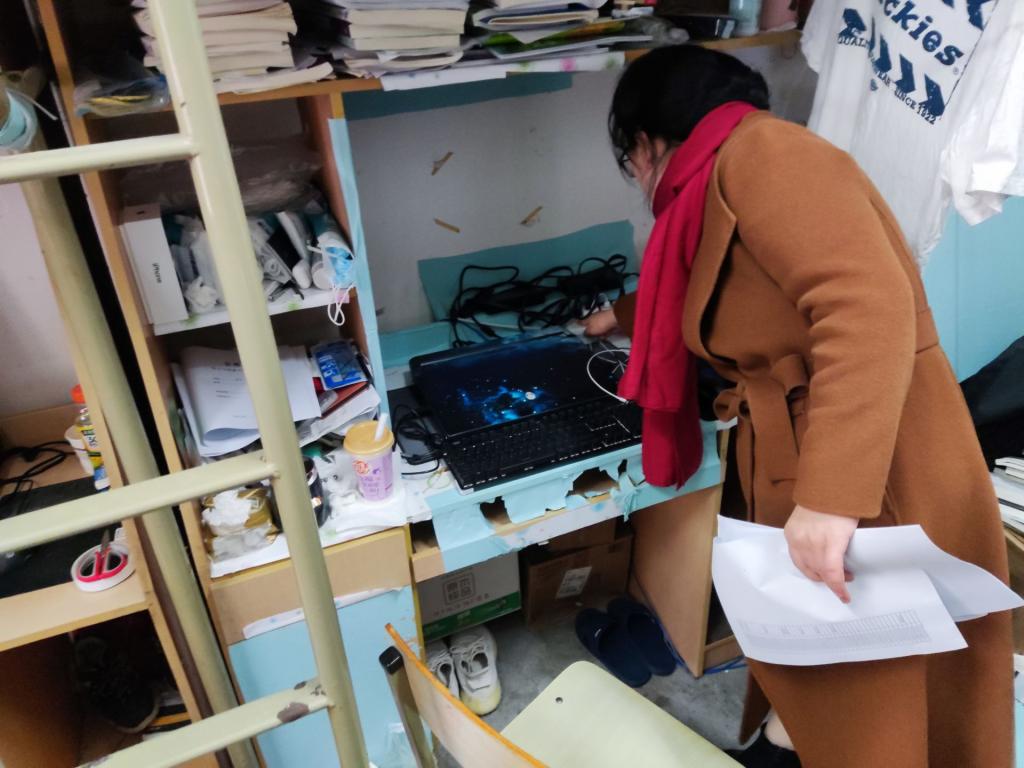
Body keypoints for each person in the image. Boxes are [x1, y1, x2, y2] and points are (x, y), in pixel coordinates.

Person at [585, 45, 1013, 768]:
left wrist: (832, 498)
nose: (636, 174)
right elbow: (714, 284)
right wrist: (618, 317)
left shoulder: (766, 155)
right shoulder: (720, 177)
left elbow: (865, 305)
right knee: (829, 657)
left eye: (629, 157)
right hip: (818, 436)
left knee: (878, 680)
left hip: (873, 453)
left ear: (646, 142)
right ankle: (787, 746)